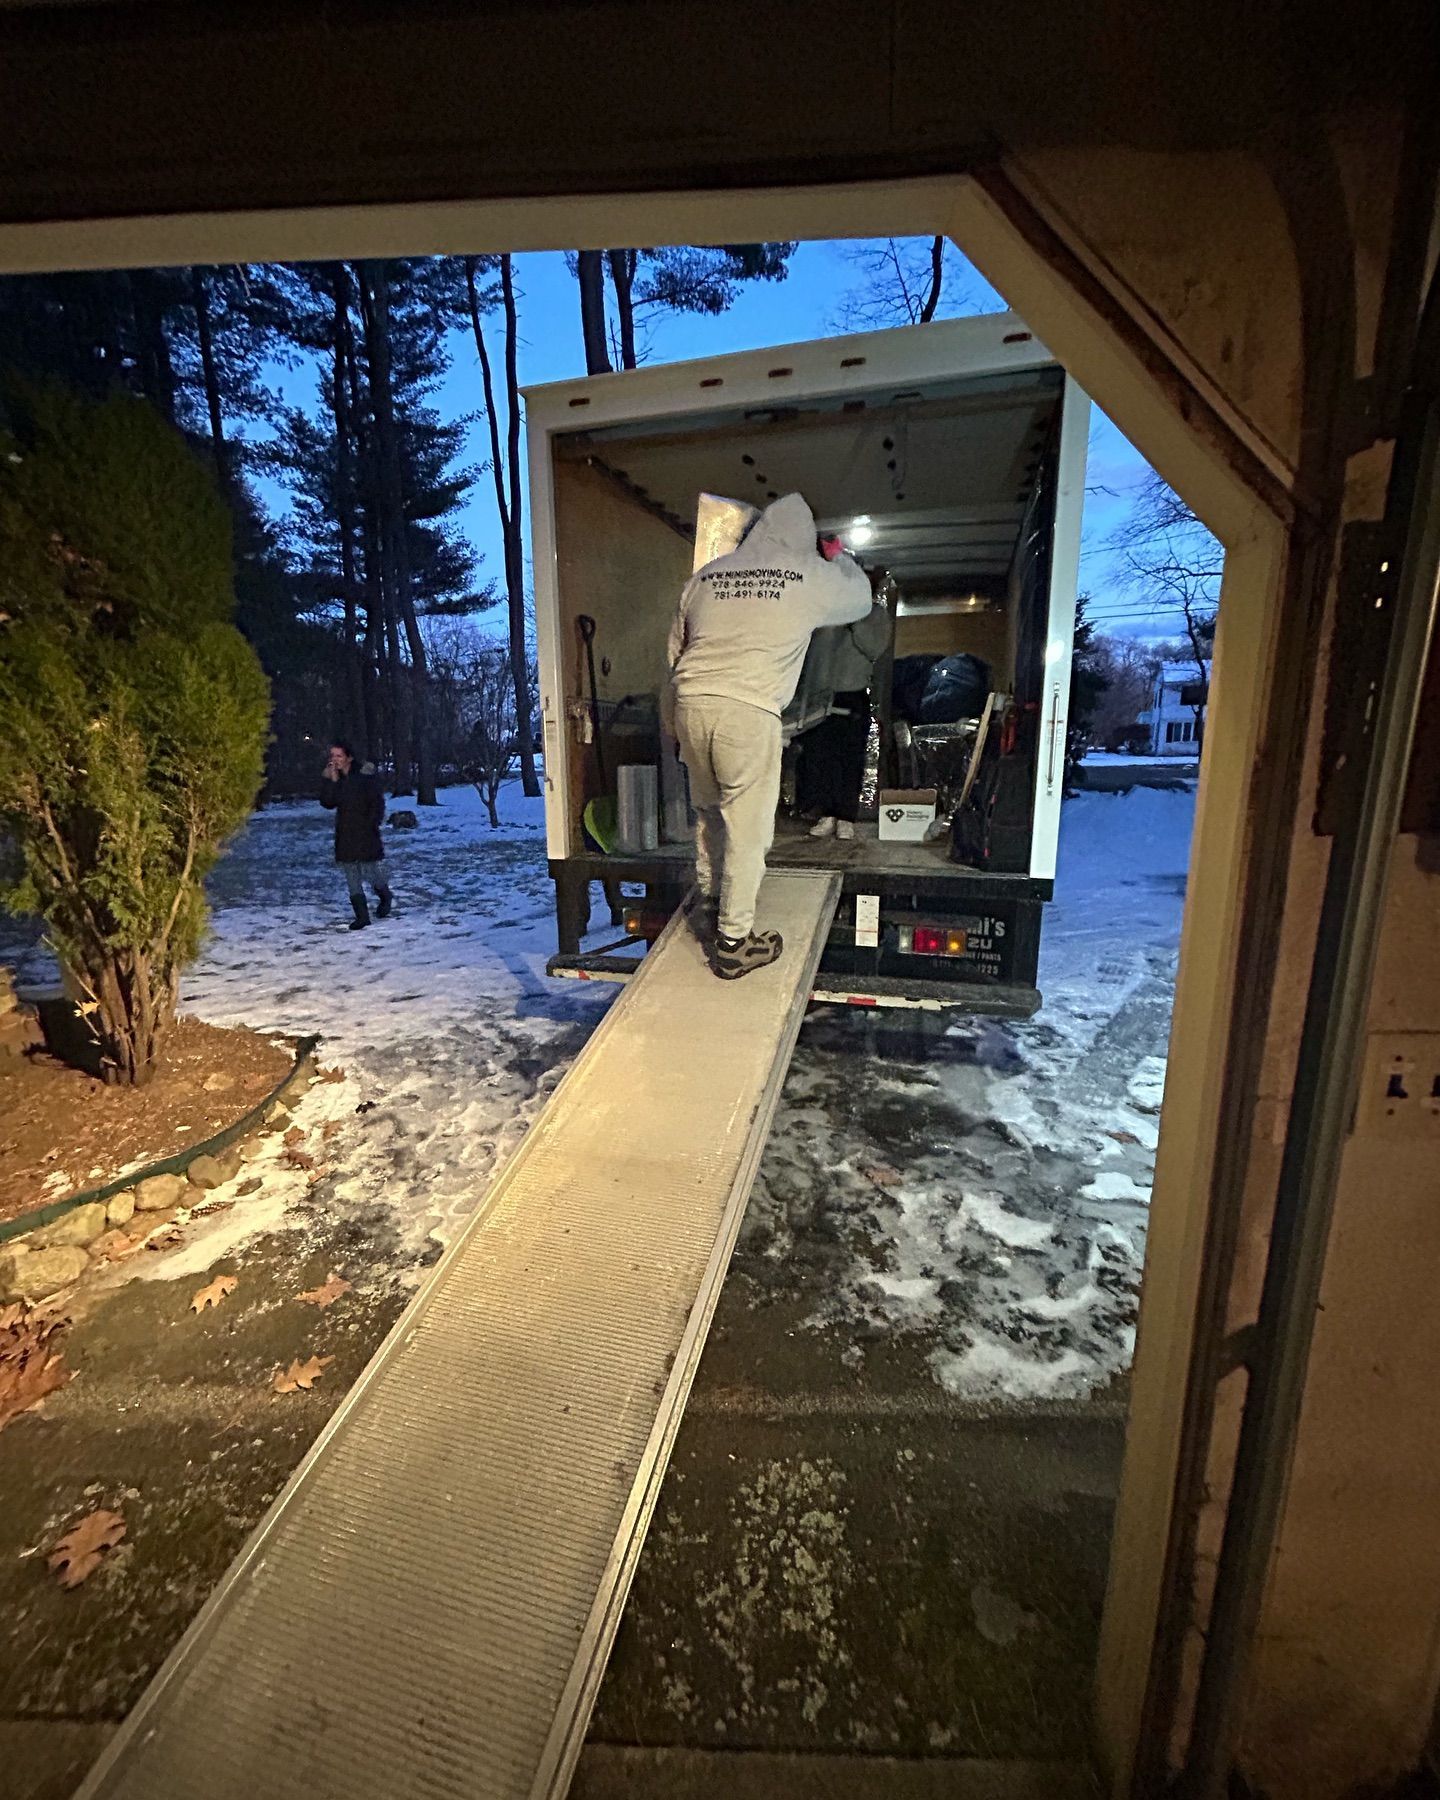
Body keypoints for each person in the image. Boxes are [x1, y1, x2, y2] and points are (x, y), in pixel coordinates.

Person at [666, 492, 871, 980]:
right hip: (747, 711)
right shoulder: (807, 574)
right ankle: (735, 942)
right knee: (749, 828)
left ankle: (712, 900)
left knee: (710, 811)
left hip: (691, 703)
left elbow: (675, 651)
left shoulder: (707, 576)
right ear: (804, 538)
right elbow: (861, 599)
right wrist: (838, 558)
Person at [799, 585, 891, 840]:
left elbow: (874, 648)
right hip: (818, 693)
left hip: (851, 692)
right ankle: (825, 813)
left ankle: (846, 817)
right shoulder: (823, 612)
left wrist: (854, 619)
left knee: (850, 757)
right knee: (819, 756)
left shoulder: (874, 614)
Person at [319, 741, 392, 930]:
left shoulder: (364, 775)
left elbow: (377, 802)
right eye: (332, 756)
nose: (335, 760)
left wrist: (373, 823)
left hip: (365, 830)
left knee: (370, 871)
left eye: (339, 756)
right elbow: (328, 802)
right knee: (351, 873)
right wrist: (332, 780)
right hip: (345, 832)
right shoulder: (335, 777)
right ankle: (362, 916)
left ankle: (385, 895)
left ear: (349, 757)